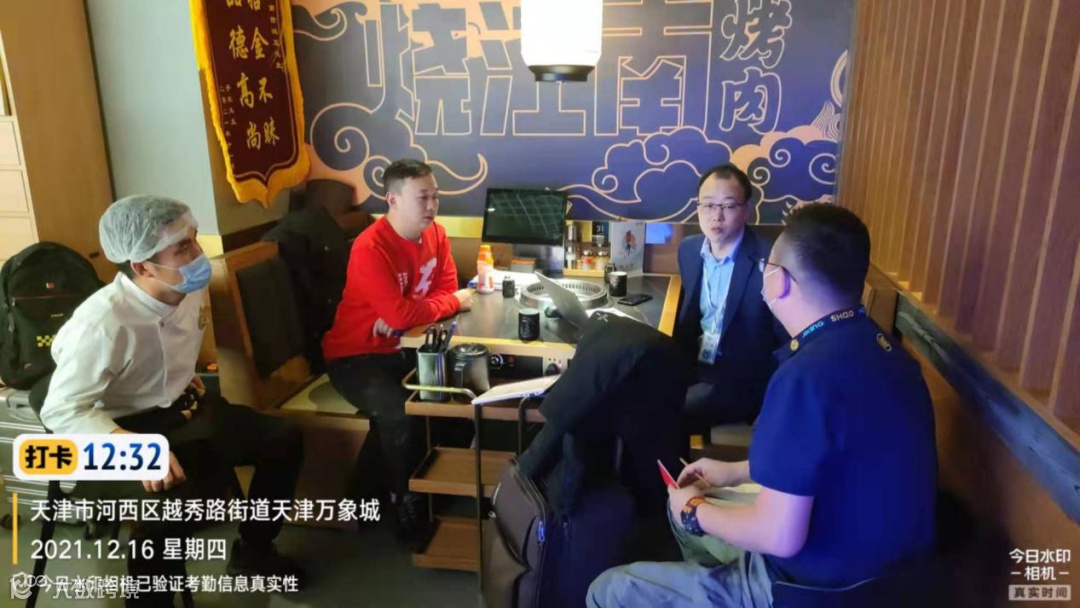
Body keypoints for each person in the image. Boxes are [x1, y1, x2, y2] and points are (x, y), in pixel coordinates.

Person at [588, 204, 938, 607]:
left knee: (609, 589)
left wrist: (694, 511)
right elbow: (832, 460)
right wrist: (736, 472)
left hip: (809, 591)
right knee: (688, 512)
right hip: (887, 579)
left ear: (780, 281)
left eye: (766, 267)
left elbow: (779, 536)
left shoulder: (804, 378)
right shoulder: (887, 352)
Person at [41, 195, 305, 607]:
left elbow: (171, 349)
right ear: (142, 266)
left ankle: (254, 551)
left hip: (178, 410)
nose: (198, 253)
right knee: (167, 512)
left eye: (194, 238)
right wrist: (134, 449)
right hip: (114, 430)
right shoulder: (103, 323)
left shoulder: (186, 287)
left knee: (282, 439)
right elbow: (60, 411)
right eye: (182, 247)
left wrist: (182, 377)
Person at [322, 158, 474, 543]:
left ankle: (436, 488)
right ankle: (404, 499)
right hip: (355, 356)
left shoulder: (437, 234)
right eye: (423, 197)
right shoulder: (370, 247)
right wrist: (415, 311)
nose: (432, 206)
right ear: (392, 200)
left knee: (460, 399)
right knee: (399, 414)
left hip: (405, 348)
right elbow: (445, 300)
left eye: (435, 196)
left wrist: (409, 313)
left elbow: (444, 290)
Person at [673, 164, 785, 431]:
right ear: (697, 207)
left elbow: (787, 341)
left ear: (747, 210)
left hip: (742, 379)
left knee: (660, 410)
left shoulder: (771, 260)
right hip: (695, 363)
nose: (716, 216)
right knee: (629, 388)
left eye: (728, 206)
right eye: (708, 205)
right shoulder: (688, 250)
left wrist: (776, 403)